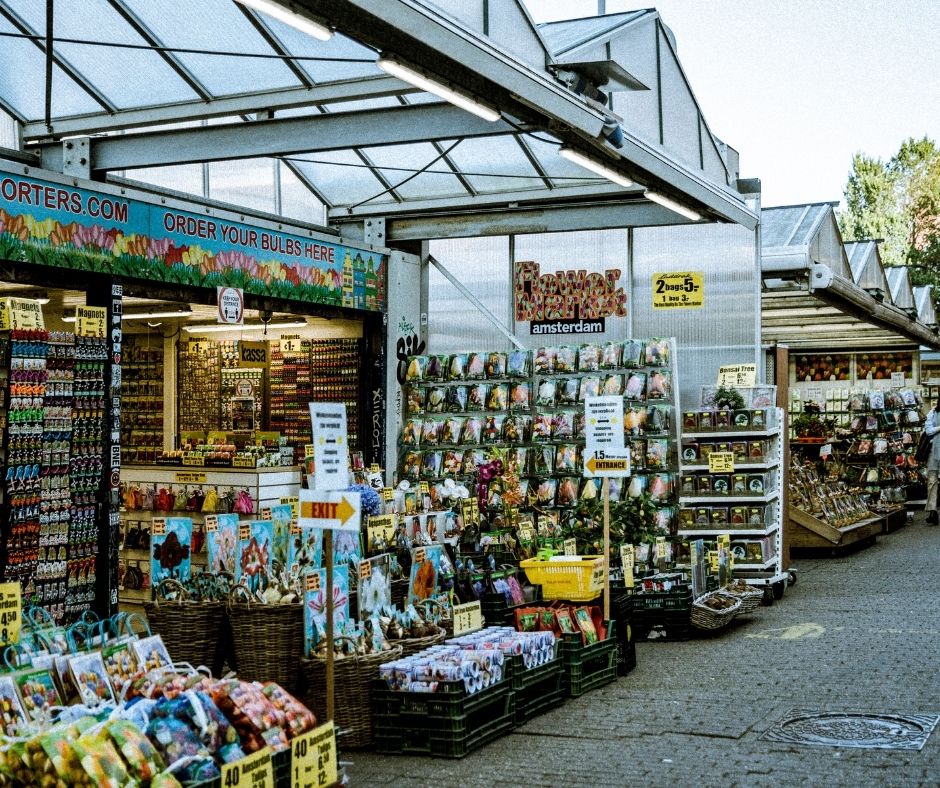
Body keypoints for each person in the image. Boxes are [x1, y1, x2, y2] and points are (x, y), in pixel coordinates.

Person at [925, 399, 940, 524]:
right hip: (934, 453)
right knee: (932, 482)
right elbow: (928, 431)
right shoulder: (932, 413)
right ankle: (932, 511)